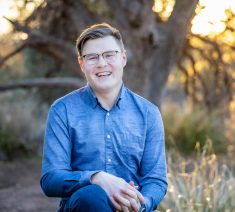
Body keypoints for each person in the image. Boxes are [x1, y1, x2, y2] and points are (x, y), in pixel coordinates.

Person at [40, 23, 168, 212]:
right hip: (82, 207)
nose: (102, 63)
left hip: (131, 209)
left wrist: (140, 205)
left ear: (123, 58)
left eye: (109, 55)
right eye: (92, 57)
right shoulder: (63, 110)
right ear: (82, 64)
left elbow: (155, 180)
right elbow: (51, 179)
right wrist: (96, 178)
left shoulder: (148, 113)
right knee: (92, 195)